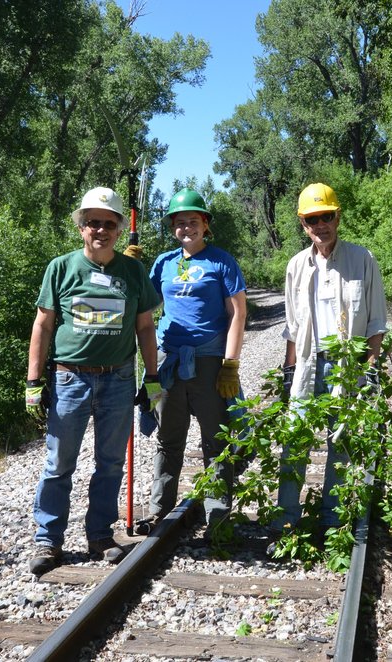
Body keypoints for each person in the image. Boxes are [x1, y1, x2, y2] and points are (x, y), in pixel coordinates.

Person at [25, 186, 162, 575]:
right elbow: (43, 324)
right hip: (70, 379)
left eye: (108, 223)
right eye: (92, 223)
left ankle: (100, 535)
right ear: (81, 228)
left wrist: (151, 378)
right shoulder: (62, 268)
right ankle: (48, 541)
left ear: (120, 229)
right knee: (58, 464)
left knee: (111, 463)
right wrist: (34, 381)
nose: (99, 230)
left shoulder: (133, 271)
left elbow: (146, 327)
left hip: (118, 380)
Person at [270, 182, 387, 553]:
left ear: (338, 217)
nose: (320, 225)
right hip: (306, 364)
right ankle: (285, 526)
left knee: (343, 447)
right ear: (303, 224)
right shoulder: (295, 266)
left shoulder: (363, 260)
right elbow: (291, 326)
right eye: (312, 219)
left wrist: (367, 369)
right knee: (294, 445)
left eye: (327, 217)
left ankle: (333, 525)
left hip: (347, 367)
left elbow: (376, 325)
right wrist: (289, 372)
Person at [135, 188, 247, 538]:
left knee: (216, 442)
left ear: (205, 224)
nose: (187, 228)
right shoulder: (163, 264)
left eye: (193, 221)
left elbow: (238, 313)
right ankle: (159, 510)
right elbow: (140, 305)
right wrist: (129, 268)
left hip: (210, 362)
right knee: (168, 441)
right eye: (180, 222)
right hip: (168, 362)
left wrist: (230, 364)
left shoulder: (221, 262)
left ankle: (217, 516)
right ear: (172, 227)